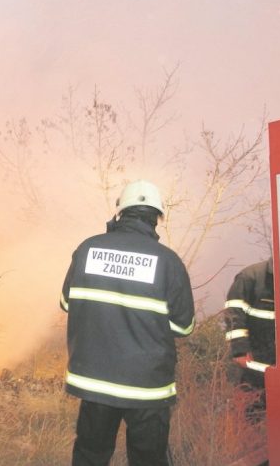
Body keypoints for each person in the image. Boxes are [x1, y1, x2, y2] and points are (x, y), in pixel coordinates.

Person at [60, 179, 195, 466]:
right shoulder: (168, 261)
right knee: (148, 460)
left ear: (120, 212)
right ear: (156, 218)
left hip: (94, 380)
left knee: (90, 455)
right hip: (147, 386)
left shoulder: (88, 249)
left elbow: (66, 304)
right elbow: (184, 326)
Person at [224, 259, 275, 421]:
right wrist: (240, 351)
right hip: (253, 364)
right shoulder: (249, 278)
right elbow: (234, 314)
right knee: (252, 410)